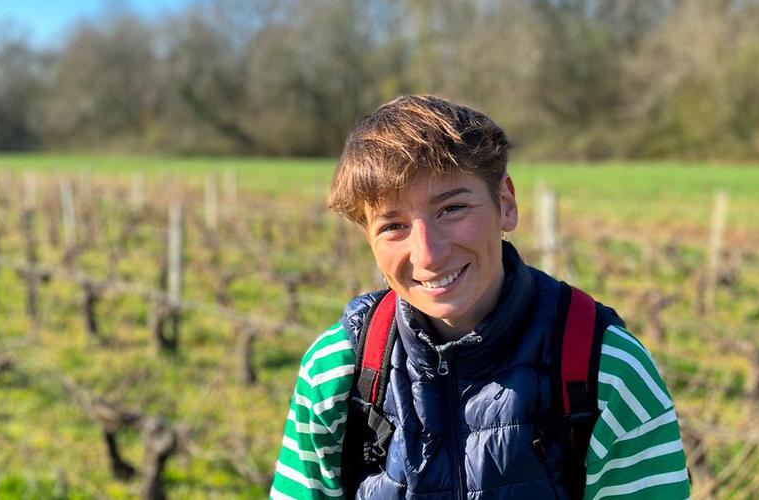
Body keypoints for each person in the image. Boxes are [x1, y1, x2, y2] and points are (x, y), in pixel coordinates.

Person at [270, 95, 690, 499]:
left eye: (452, 209)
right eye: (393, 226)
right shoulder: (337, 371)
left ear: (505, 204)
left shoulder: (607, 370)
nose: (428, 255)